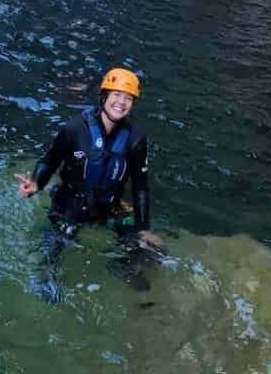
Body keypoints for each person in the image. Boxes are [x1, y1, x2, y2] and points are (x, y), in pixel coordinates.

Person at [15, 67, 161, 299]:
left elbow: (140, 186)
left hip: (109, 206)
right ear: (104, 96)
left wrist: (143, 228)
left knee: (156, 250)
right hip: (69, 204)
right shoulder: (75, 128)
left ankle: (122, 265)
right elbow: (50, 160)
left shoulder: (135, 138)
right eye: (116, 95)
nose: (121, 103)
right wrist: (37, 184)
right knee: (53, 250)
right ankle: (44, 279)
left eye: (128, 98)